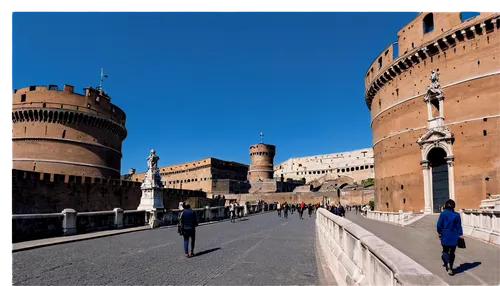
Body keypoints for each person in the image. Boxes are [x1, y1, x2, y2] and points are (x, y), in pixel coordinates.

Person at [437, 199, 464, 275]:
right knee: (452, 251)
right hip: (454, 235)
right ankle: (450, 267)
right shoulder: (457, 215)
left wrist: (439, 232)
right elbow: (459, 225)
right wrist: (460, 234)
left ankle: (447, 263)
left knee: (445, 250)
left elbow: (439, 225)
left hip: (445, 235)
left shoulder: (443, 214)